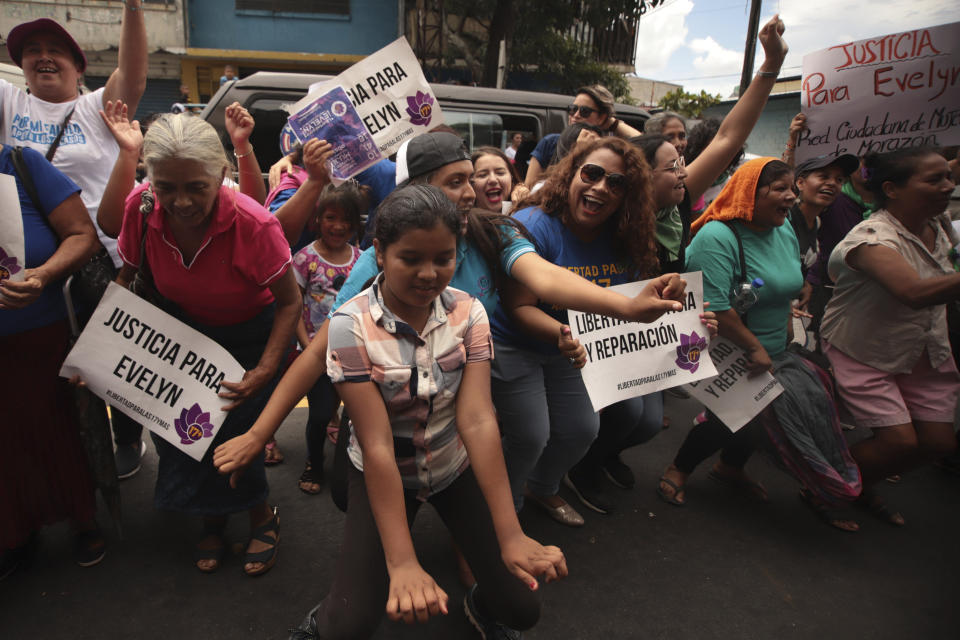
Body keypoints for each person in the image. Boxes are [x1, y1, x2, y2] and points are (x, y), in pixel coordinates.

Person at [219, 185, 568, 639]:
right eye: (411, 259)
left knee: (521, 609)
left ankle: (481, 606)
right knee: (349, 625)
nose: (429, 274)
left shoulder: (471, 313)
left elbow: (479, 420)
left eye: (444, 258)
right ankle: (317, 625)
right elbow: (378, 444)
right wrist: (402, 561)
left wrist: (511, 533)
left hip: (450, 464)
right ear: (380, 253)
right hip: (382, 468)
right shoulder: (349, 326)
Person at [105, 113, 300, 574]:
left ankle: (260, 515)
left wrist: (266, 370)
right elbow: (125, 277)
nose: (181, 201)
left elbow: (290, 304)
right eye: (167, 186)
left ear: (222, 176)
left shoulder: (256, 225)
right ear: (150, 178)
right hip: (181, 332)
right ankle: (210, 519)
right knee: (183, 433)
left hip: (252, 337)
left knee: (234, 436)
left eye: (196, 186)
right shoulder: (142, 207)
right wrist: (97, 353)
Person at [490, 137, 693, 523]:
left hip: (571, 351)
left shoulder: (626, 236)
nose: (601, 187)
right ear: (570, 175)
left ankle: (542, 488)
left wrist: (682, 312)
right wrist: (561, 335)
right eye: (593, 174)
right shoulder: (534, 225)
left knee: (581, 429)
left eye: (616, 183)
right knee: (531, 435)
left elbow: (634, 303)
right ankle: (504, 514)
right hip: (517, 344)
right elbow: (519, 308)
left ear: (626, 197)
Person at [658, 157, 861, 531]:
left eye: (791, 188)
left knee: (758, 414)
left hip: (772, 346)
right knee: (729, 416)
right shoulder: (718, 236)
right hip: (730, 344)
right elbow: (717, 303)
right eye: (780, 188)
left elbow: (783, 284)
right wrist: (754, 348)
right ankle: (678, 469)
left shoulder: (783, 229)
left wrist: (783, 325)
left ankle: (729, 468)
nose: (790, 196)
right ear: (751, 191)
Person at [2, 11, 149, 478]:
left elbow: (136, 71)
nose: (44, 58)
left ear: (79, 67)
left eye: (56, 51)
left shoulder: (99, 108)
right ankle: (69, 454)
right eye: (33, 52)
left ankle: (126, 434)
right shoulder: (9, 103)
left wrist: (133, 7)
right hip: (30, 262)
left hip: (103, 257)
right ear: (21, 66)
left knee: (111, 355)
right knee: (52, 361)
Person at [821, 147, 959, 525]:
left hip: (924, 348)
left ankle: (859, 484)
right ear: (892, 189)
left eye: (949, 176)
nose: (948, 185)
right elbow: (913, 293)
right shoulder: (871, 238)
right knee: (898, 441)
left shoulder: (940, 223)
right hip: (864, 348)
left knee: (938, 442)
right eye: (935, 179)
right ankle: (824, 487)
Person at [0, 144, 101, 576]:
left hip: (37, 336)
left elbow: (82, 234)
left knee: (55, 430)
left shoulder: (20, 164)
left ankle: (84, 520)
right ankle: (13, 532)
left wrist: (42, 274)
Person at [632, 13, 790, 276]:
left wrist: (772, 62)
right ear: (642, 176)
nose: (684, 173)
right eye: (672, 167)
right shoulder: (608, 214)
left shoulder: (676, 207)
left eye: (681, 164)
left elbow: (727, 138)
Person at [290, 181, 366, 493]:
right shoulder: (304, 259)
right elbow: (293, 306)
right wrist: (307, 346)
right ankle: (314, 463)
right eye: (330, 217)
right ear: (318, 219)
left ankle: (353, 462)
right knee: (319, 414)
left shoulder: (362, 259)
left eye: (346, 219)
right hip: (314, 350)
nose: (338, 226)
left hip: (351, 349)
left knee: (357, 411)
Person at [524, 85, 641, 187]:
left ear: (602, 117)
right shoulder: (551, 142)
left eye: (585, 111)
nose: (575, 115)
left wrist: (612, 123)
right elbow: (529, 187)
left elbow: (644, 145)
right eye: (573, 109)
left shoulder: (607, 149)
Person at [788, 153, 858, 324]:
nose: (832, 183)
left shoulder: (816, 223)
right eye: (824, 176)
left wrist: (803, 283)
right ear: (800, 182)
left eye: (839, 180)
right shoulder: (784, 220)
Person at [470, 146, 525, 214]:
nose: (493, 180)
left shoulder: (528, 214)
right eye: (483, 175)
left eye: (500, 173)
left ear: (511, 178)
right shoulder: (461, 221)